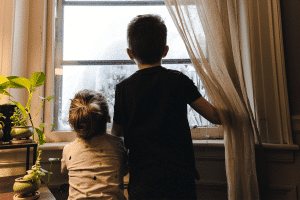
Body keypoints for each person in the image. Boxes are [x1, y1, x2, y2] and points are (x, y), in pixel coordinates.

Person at [112, 14, 221, 200]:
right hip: (179, 178)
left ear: (130, 53)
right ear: (165, 50)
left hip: (142, 180)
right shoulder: (178, 80)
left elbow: (116, 133)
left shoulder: (123, 88)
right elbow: (214, 116)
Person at [61, 89, 128, 200]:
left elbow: (64, 172)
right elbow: (124, 170)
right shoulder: (119, 145)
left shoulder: (68, 150)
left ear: (74, 122)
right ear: (108, 118)